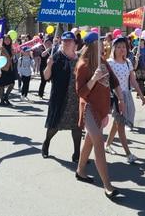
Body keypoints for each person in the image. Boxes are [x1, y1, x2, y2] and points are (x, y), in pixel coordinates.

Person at [75, 32, 124, 199]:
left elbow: (114, 81)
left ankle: (81, 170)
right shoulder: (83, 65)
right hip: (89, 107)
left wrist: (121, 98)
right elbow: (81, 92)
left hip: (103, 107)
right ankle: (107, 185)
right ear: (93, 45)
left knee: (90, 139)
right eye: (100, 42)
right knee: (98, 142)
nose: (104, 44)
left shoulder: (102, 61)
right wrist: (93, 79)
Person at [42, 31, 83, 162]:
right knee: (54, 126)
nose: (66, 43)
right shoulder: (56, 57)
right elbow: (46, 76)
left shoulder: (79, 58)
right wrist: (49, 65)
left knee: (77, 128)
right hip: (60, 98)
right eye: (64, 41)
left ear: (74, 43)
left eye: (69, 41)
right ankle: (46, 143)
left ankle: (77, 155)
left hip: (76, 99)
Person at [105, 36, 145, 163]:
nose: (121, 49)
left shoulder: (128, 62)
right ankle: (128, 154)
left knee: (117, 122)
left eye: (123, 47)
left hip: (126, 95)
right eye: (118, 47)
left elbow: (133, 80)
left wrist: (141, 95)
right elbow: (106, 81)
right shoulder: (110, 63)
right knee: (121, 124)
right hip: (115, 97)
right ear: (114, 48)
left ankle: (107, 145)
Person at [0, 35, 17, 106]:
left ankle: (6, 97)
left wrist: (13, 56)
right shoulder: (1, 48)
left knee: (12, 84)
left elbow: (12, 58)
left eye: (8, 39)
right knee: (2, 85)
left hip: (10, 68)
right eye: (6, 40)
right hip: (3, 68)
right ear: (3, 41)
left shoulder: (11, 48)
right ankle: (2, 100)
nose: (7, 41)